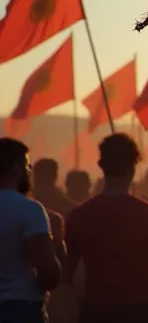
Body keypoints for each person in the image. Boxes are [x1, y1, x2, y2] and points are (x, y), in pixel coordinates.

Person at [65, 133, 148, 323]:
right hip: (142, 311)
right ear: (133, 167)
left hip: (96, 312)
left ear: (101, 165)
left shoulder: (78, 215)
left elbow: (67, 275)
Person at [0, 138, 62, 323]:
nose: (29, 172)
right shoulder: (29, 209)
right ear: (16, 168)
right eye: (28, 166)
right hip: (20, 307)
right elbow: (49, 273)